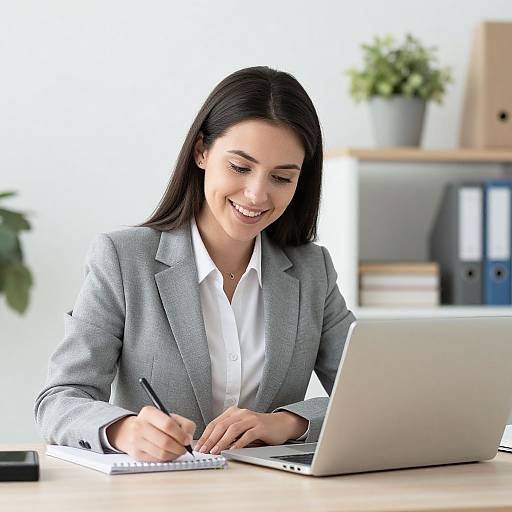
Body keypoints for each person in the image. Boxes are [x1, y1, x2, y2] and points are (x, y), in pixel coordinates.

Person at [34, 66, 355, 463]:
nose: (256, 194)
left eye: (282, 177)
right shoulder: (123, 259)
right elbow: (59, 400)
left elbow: (373, 396)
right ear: (202, 151)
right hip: (162, 495)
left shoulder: (312, 270)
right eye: (240, 167)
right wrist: (125, 430)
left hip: (277, 497)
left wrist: (288, 423)